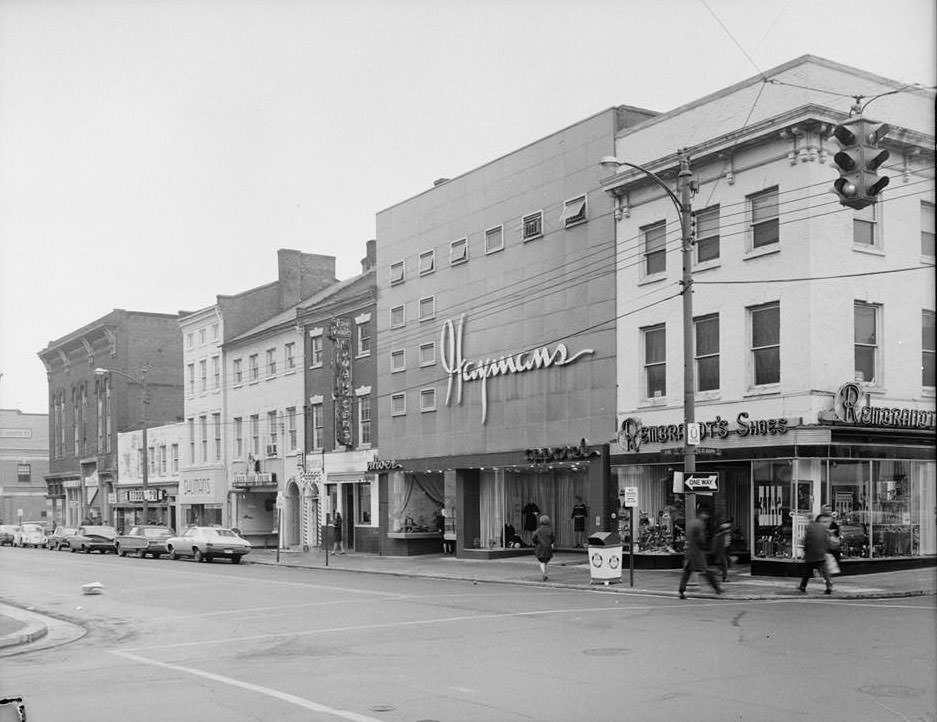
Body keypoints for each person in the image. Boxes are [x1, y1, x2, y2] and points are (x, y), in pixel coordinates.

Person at [678, 510, 723, 599]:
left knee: (687, 572)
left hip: (689, 552)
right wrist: (705, 548)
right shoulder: (700, 524)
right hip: (697, 552)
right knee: (706, 570)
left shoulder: (691, 523)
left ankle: (681, 591)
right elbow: (700, 538)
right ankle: (717, 588)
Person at [798, 513, 833, 594]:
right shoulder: (823, 528)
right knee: (825, 572)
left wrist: (805, 550)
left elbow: (807, 540)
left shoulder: (809, 527)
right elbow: (827, 540)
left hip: (811, 554)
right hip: (821, 553)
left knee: (807, 572)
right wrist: (825, 549)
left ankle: (803, 586)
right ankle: (829, 587)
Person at [532, 515, 555, 582]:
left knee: (542, 561)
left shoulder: (538, 530)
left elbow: (533, 538)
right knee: (546, 562)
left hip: (540, 548)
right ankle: (546, 574)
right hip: (548, 548)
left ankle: (544, 574)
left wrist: (536, 543)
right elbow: (553, 539)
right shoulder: (550, 530)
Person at [711, 516, 733, 582]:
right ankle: (724, 576)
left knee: (724, 562)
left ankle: (721, 573)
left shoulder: (724, 527)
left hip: (725, 547)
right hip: (722, 547)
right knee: (724, 562)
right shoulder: (725, 527)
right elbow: (718, 535)